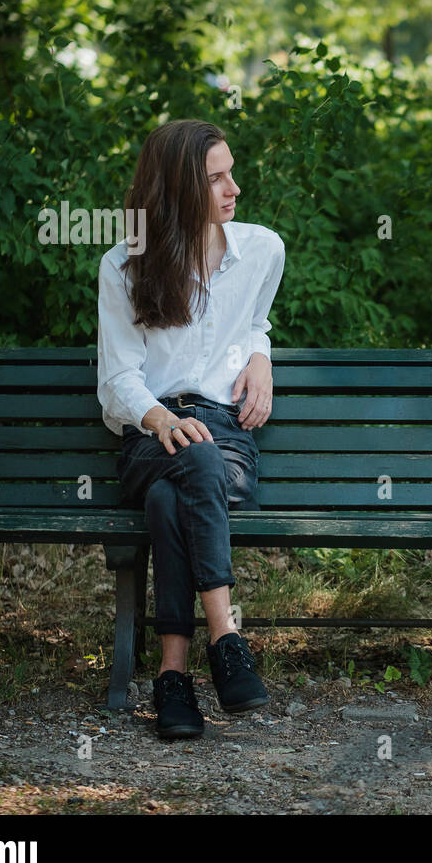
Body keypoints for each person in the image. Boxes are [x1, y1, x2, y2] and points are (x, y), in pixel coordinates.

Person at [97, 119, 285, 739]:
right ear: (177, 187)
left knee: (167, 497)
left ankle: (172, 676)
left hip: (227, 433)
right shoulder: (124, 265)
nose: (235, 188)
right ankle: (226, 638)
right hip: (149, 433)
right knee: (187, 463)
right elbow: (118, 378)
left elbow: (255, 324)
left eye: (232, 172)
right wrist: (160, 418)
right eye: (216, 178)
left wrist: (260, 359)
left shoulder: (262, 250)